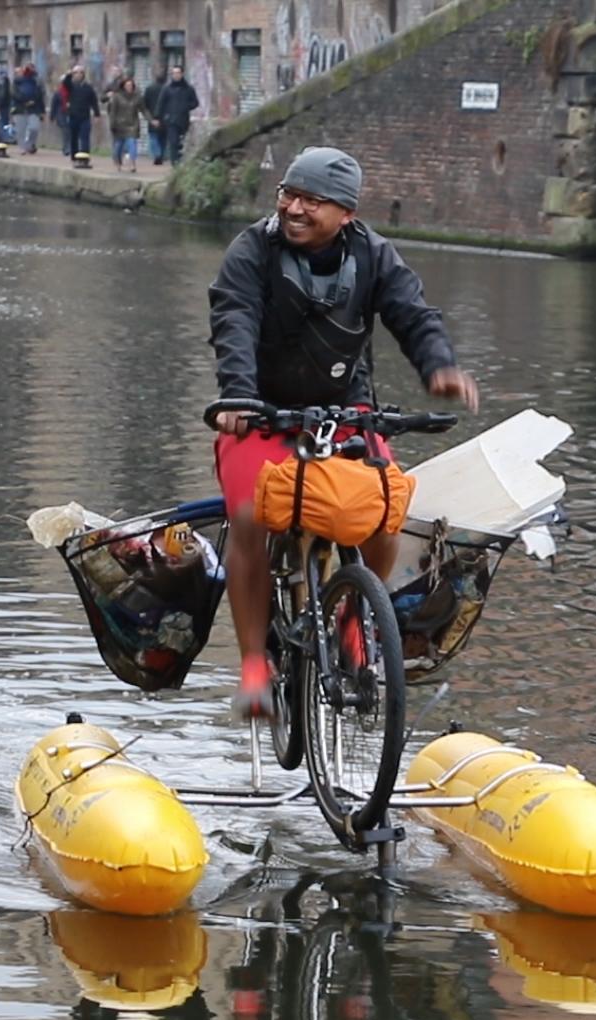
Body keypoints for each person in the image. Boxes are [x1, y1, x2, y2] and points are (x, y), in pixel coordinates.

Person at [206, 147, 480, 720]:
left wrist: (440, 367)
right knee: (251, 518)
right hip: (259, 409)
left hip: (344, 409)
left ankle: (357, 613)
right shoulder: (252, 250)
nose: (294, 208)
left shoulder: (374, 255)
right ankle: (255, 663)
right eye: (288, 194)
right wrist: (237, 397)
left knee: (385, 503)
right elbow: (234, 319)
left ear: (347, 214)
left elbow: (413, 313)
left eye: (312, 200)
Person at [156, 65, 198, 165]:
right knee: (173, 141)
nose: (176, 75)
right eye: (174, 73)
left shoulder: (188, 88)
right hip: (171, 120)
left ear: (182, 74)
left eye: (178, 73)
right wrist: (157, 117)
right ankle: (174, 162)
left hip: (183, 119)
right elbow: (160, 103)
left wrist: (186, 106)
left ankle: (180, 160)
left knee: (181, 143)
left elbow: (195, 102)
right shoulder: (167, 88)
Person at [105, 75, 144, 172]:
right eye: (127, 85)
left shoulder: (137, 97)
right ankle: (117, 161)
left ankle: (132, 163)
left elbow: (144, 109)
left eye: (131, 85)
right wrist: (112, 124)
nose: (129, 87)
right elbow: (112, 112)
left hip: (132, 124)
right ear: (123, 86)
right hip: (119, 125)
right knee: (118, 146)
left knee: (132, 143)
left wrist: (151, 120)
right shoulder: (117, 97)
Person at [64, 67, 99, 158]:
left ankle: (85, 155)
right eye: (76, 73)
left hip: (85, 117)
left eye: (80, 73)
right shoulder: (71, 86)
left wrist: (96, 114)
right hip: (73, 116)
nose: (78, 75)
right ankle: (74, 155)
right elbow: (65, 83)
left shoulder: (88, 88)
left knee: (85, 137)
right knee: (74, 137)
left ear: (83, 75)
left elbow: (94, 101)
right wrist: (69, 74)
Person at [12, 65, 44, 154]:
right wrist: (24, 101)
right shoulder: (16, 82)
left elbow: (40, 96)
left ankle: (30, 144)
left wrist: (42, 111)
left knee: (34, 127)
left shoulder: (37, 82)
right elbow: (14, 94)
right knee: (20, 130)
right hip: (20, 108)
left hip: (34, 109)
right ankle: (22, 147)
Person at [141, 69, 168, 165]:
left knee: (153, 137)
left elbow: (144, 103)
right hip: (164, 117)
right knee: (163, 138)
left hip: (152, 117)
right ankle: (161, 155)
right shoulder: (167, 89)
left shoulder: (149, 89)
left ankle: (157, 154)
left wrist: (149, 116)